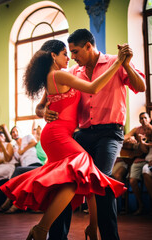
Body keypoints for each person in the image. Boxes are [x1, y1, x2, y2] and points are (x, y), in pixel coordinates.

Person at [0, 38, 127, 240]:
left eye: (71, 53)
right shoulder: (59, 75)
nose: (69, 57)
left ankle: (90, 227)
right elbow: (93, 88)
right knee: (81, 169)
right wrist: (118, 62)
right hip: (57, 134)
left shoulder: (57, 76)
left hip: (58, 134)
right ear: (53, 55)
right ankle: (43, 229)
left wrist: (42, 111)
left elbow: (40, 106)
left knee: (82, 177)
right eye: (65, 54)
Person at [35, 29, 146, 240]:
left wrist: (126, 64)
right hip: (82, 134)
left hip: (110, 134)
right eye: (70, 53)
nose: (73, 57)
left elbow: (140, 86)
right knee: (64, 181)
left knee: (101, 181)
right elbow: (41, 104)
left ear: (88, 46)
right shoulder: (73, 73)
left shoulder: (117, 61)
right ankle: (57, 237)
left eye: (75, 51)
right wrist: (43, 112)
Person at [0, 126, 43, 214]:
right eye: (12, 132)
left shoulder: (28, 137)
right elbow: (16, 160)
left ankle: (7, 203)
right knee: (19, 176)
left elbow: (34, 142)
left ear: (20, 132)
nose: (15, 133)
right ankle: (13, 205)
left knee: (17, 171)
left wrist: (22, 151)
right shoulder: (15, 147)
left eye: (16, 131)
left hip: (35, 165)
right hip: (25, 169)